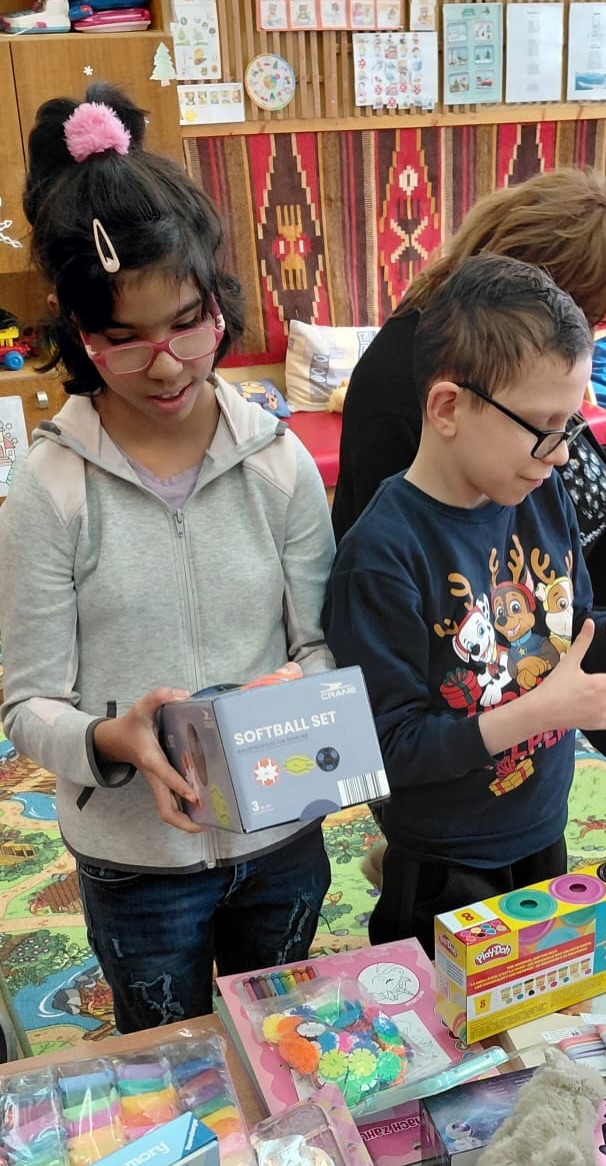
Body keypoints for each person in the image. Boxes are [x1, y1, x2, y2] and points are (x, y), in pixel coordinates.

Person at [0, 84, 336, 1033]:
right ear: (77, 332)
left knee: (284, 1040)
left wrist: (295, 688)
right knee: (166, 1063)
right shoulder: (49, 491)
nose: (167, 363)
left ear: (218, 300)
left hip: (282, 835)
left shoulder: (277, 465)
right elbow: (26, 706)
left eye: (189, 322)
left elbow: (320, 644)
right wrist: (114, 738)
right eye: (124, 340)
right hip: (136, 864)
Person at [323, 254, 606, 956]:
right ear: (448, 407)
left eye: (571, 425)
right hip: (442, 858)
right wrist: (541, 712)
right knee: (448, 1014)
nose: (561, 453)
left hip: (541, 821)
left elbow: (566, 625)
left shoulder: (541, 494)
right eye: (543, 426)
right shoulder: (383, 555)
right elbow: (386, 749)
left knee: (539, 989)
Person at [332, 167, 606, 615]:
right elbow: (422, 577)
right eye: (584, 314)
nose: (584, 335)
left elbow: (545, 421)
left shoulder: (527, 371)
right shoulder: (401, 389)